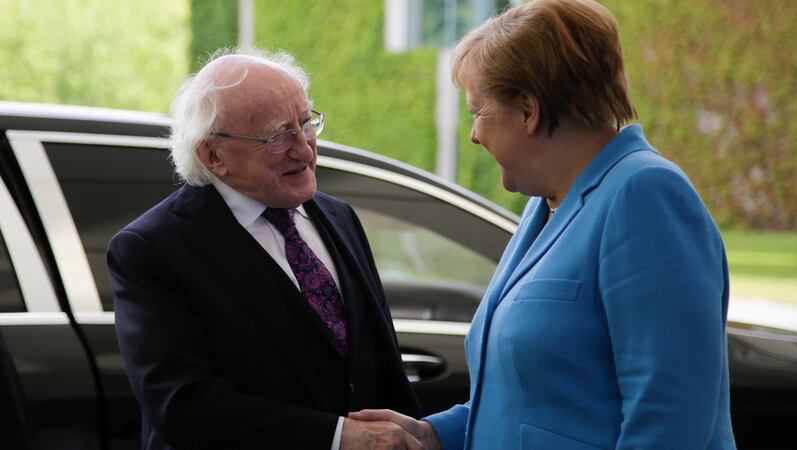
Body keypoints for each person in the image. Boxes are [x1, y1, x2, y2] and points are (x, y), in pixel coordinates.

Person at [350, 0, 737, 449]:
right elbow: (536, 400)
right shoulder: (545, 204)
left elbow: (671, 418)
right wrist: (435, 434)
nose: (474, 134)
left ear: (528, 110)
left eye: (478, 111)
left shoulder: (644, 195)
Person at [108, 48, 422, 450]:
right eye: (277, 136)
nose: (304, 149)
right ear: (213, 155)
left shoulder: (337, 216)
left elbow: (382, 361)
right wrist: (337, 438)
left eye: (306, 124)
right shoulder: (153, 249)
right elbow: (182, 406)